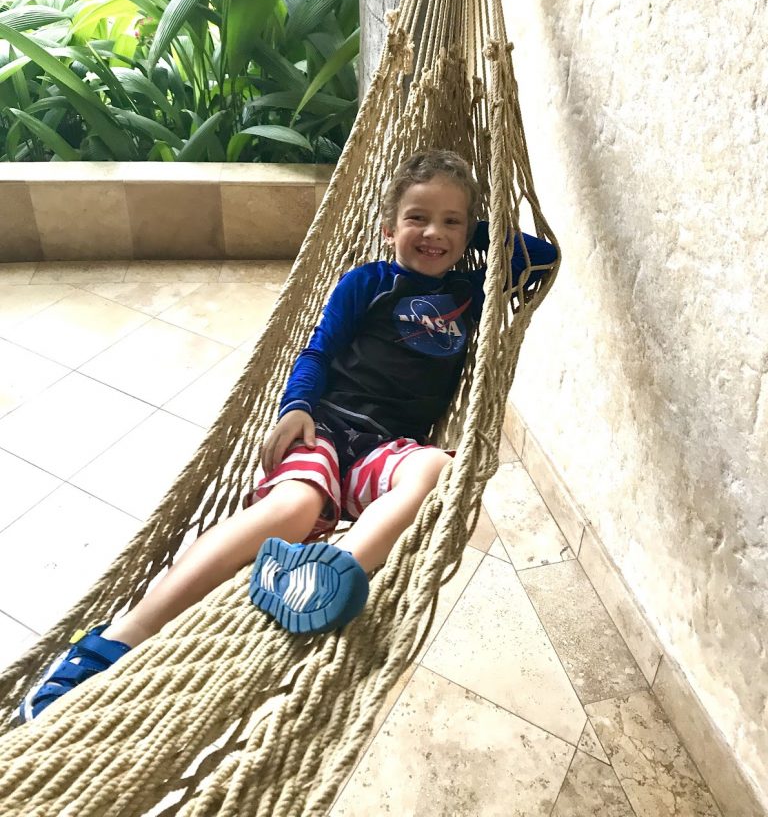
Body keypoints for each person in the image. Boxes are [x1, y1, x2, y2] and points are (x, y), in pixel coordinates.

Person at [19, 149, 557, 722]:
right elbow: (318, 350)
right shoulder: (368, 282)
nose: (433, 232)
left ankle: (332, 571)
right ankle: (123, 635)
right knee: (295, 507)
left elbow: (541, 257)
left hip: (387, 448)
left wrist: (476, 230)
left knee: (437, 471)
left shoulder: (471, 293)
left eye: (452, 221)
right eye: (416, 218)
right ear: (387, 228)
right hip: (327, 425)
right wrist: (296, 406)